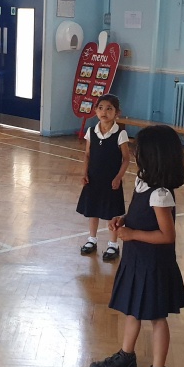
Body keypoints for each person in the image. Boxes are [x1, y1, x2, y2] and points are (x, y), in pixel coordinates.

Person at [89, 125, 184, 367]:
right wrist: (123, 221)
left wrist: (133, 234)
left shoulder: (161, 194)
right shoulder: (142, 183)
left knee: (156, 317)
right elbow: (139, 216)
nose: (135, 153)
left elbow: (167, 235)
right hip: (136, 261)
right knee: (132, 310)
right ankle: (126, 355)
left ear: (153, 156)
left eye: (139, 150)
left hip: (154, 265)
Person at [76, 94, 130, 261]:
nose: (104, 112)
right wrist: (85, 173)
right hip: (94, 178)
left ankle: (113, 244)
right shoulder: (91, 131)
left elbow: (126, 159)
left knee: (112, 213)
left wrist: (118, 177)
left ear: (117, 113)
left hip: (111, 180)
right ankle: (92, 240)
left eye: (109, 109)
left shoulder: (120, 134)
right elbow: (87, 155)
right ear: (95, 110)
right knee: (93, 210)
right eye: (100, 108)